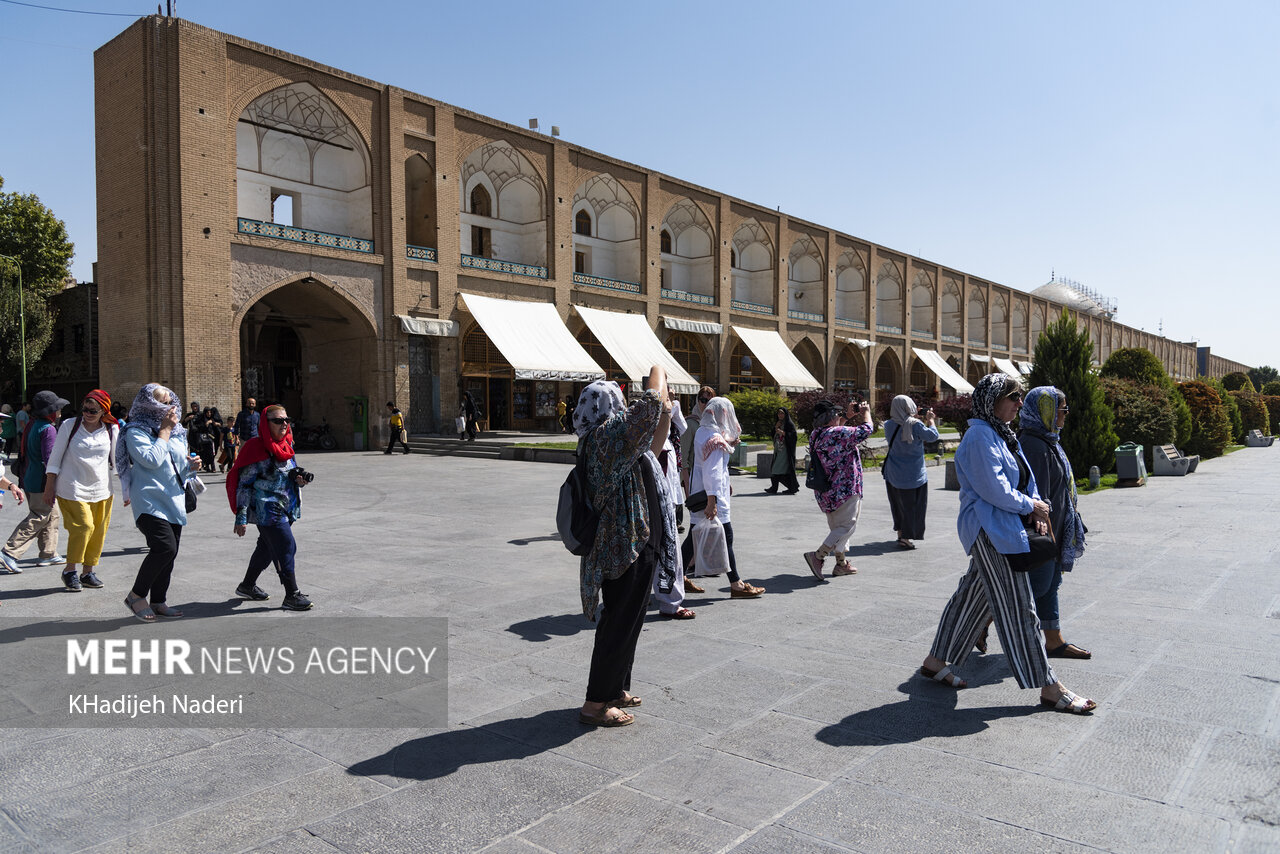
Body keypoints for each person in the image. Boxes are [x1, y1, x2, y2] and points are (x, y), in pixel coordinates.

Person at [919, 374, 1097, 715]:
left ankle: (935, 660)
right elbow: (994, 490)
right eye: (1013, 396)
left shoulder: (1002, 434)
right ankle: (1049, 687)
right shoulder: (979, 436)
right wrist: (1033, 506)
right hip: (992, 532)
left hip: (1002, 530)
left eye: (1020, 397)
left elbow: (1025, 478)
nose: (1019, 403)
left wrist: (1036, 504)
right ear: (992, 400)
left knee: (971, 597)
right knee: (1019, 608)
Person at [575, 366, 672, 726]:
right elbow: (648, 403)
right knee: (618, 623)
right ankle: (595, 704)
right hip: (622, 547)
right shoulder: (605, 439)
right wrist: (657, 372)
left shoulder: (610, 442)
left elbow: (655, 443)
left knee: (628, 620)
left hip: (633, 542)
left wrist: (664, 410)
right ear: (608, 406)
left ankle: (614, 689)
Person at [1018, 386, 1091, 660]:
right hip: (1043, 531)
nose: (1065, 415)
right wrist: (1049, 535)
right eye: (1062, 410)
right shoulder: (1035, 446)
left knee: (1051, 585)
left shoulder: (1048, 441)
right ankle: (980, 622)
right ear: (1046, 412)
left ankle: (1054, 641)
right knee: (1035, 588)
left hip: (1056, 529)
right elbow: (1038, 496)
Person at [116, 383, 199, 622]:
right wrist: (163, 431)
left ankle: (159, 601)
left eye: (168, 400)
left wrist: (192, 467)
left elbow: (179, 467)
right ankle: (136, 596)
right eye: (160, 401)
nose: (166, 406)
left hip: (174, 499)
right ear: (145, 403)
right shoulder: (135, 430)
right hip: (149, 500)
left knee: (170, 554)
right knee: (164, 548)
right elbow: (150, 460)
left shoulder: (177, 432)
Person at [227, 404, 313, 611]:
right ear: (265, 424)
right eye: (277, 420)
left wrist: (299, 480)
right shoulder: (256, 448)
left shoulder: (286, 444)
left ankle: (247, 585)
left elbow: (288, 474)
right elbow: (244, 485)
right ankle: (291, 594)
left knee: (266, 548)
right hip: (267, 509)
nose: (284, 424)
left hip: (286, 506)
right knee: (285, 546)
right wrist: (241, 517)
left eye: (286, 420)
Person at [690, 396, 766, 599]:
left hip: (701, 491)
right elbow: (712, 471)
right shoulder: (715, 440)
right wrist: (712, 501)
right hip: (711, 495)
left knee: (691, 541)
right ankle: (736, 584)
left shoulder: (703, 431)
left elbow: (710, 461)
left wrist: (728, 443)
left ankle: (674, 579)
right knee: (727, 537)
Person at [44, 390, 119, 591]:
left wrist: (129, 491)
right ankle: (70, 570)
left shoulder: (111, 429)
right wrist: (49, 487)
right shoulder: (70, 426)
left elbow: (118, 463)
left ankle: (88, 572)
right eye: (85, 409)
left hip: (102, 489)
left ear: (104, 410)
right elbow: (55, 457)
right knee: (84, 527)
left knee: (98, 532)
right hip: (72, 487)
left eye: (93, 410)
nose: (87, 413)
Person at [803, 398, 875, 580]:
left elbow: (836, 433)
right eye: (836, 414)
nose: (838, 416)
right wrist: (866, 412)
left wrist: (847, 417)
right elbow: (866, 430)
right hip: (845, 489)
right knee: (846, 526)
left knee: (837, 526)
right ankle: (818, 556)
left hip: (826, 490)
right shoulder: (837, 433)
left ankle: (841, 564)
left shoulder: (816, 434)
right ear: (830, 416)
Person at [1, 390, 69, 574]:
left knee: (52, 515)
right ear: (51, 411)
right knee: (40, 515)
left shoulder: (32, 424)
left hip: (29, 478)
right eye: (58, 408)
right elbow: (50, 461)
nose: (60, 412)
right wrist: (54, 483)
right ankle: (10, 552)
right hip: (42, 481)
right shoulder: (48, 429)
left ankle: (48, 553)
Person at [651, 385, 693, 620]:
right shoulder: (653, 436)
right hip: (656, 501)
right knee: (667, 550)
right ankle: (669, 600)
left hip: (664, 497)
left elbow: (682, 428)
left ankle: (665, 597)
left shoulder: (664, 436)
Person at [883, 395, 940, 550]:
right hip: (914, 474)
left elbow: (902, 423)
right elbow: (933, 436)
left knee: (897, 505)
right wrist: (930, 420)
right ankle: (906, 537)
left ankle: (901, 534)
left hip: (893, 473)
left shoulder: (888, 425)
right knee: (913, 506)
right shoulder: (915, 425)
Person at [677, 386, 716, 594]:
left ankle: (699, 561)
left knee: (707, 523)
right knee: (697, 524)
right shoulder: (690, 423)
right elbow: (683, 459)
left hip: (708, 482)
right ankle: (686, 565)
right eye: (702, 399)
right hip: (694, 481)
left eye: (709, 400)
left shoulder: (713, 424)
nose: (705, 403)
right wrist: (687, 489)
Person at [763, 407, 800, 494]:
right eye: (779, 413)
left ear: (786, 414)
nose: (780, 415)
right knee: (778, 470)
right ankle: (786, 488)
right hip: (778, 450)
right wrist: (776, 427)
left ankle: (779, 488)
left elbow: (793, 436)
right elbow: (773, 434)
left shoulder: (789, 424)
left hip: (785, 451)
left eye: (782, 413)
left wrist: (783, 433)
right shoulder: (779, 423)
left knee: (776, 470)